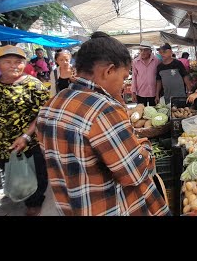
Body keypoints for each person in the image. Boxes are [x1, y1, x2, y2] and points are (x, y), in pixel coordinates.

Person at [36, 32, 169, 216]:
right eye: (123, 77)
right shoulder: (103, 111)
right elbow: (135, 172)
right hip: (112, 207)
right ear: (108, 71)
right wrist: (145, 145)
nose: (124, 85)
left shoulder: (50, 106)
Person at [0, 45, 50, 216]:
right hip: (1, 143)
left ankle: (34, 203)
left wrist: (25, 136)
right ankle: (22, 194)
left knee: (35, 176)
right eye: (8, 62)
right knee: (13, 173)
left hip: (28, 143)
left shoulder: (33, 85)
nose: (14, 65)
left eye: (18, 62)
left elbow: (44, 114)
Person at [131, 41, 159, 106]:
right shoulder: (135, 62)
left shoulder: (156, 61)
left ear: (150, 51)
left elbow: (159, 78)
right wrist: (133, 92)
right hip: (140, 92)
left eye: (145, 50)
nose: (142, 52)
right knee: (141, 111)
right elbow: (134, 77)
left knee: (154, 111)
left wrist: (158, 93)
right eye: (141, 50)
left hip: (153, 92)